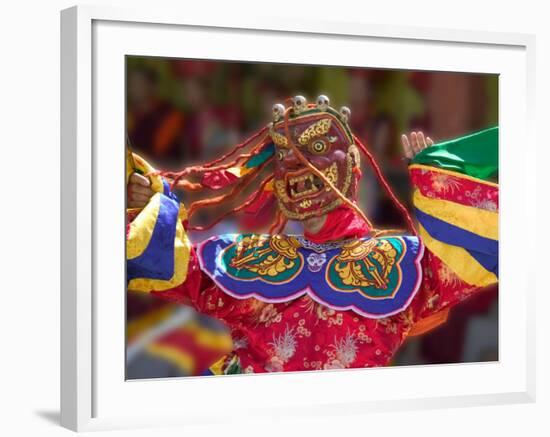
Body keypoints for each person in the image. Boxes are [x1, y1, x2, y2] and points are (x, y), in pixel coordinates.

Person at [126, 95, 498, 374]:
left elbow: (468, 259)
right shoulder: (247, 254)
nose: (297, 164)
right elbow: (170, 267)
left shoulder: (402, 260)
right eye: (286, 154)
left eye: (318, 148)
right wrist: (153, 203)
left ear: (352, 164)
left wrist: (437, 180)